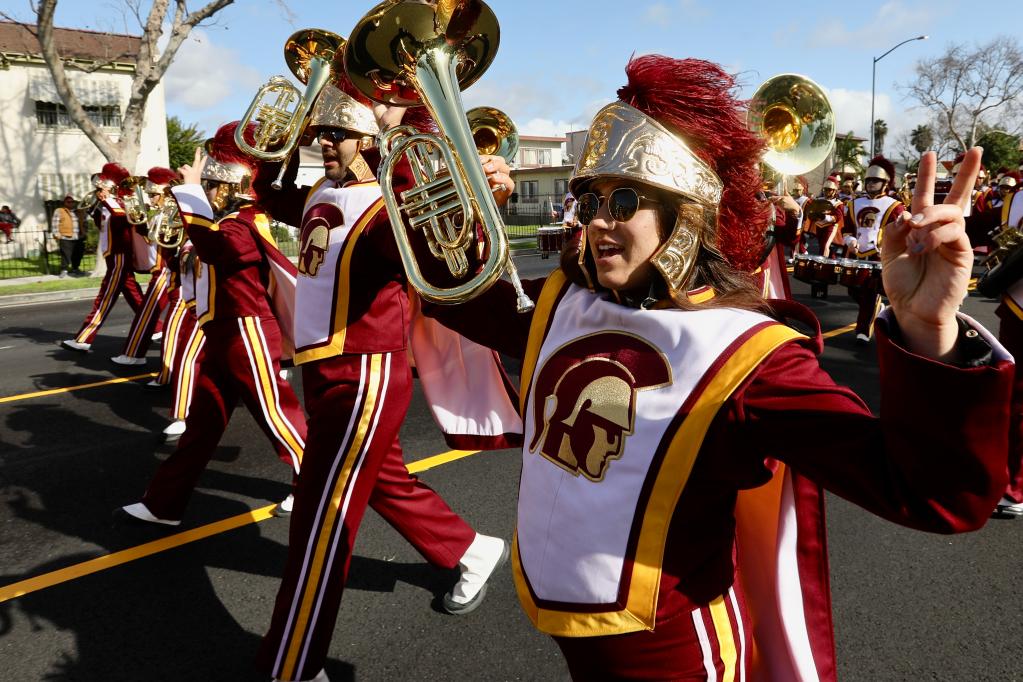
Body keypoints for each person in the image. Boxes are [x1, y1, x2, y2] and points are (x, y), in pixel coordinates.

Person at [421, 55, 1011, 681]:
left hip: (672, 655)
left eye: (623, 199)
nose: (596, 218)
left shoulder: (749, 357)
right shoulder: (565, 303)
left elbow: (936, 497)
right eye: (588, 196)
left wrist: (929, 330)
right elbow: (454, 295)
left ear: (685, 214)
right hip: (568, 629)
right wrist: (438, 172)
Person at [241, 80, 510, 682]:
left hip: (366, 375)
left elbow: (448, 259)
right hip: (325, 370)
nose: (325, 141)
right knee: (383, 480)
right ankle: (471, 549)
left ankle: (292, 664)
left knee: (321, 519)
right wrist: (277, 150)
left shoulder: (389, 209)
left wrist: (472, 188)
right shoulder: (320, 191)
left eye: (337, 132)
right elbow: (271, 197)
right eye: (321, 131)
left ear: (369, 138)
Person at [117, 123, 307, 525]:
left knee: (278, 416)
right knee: (201, 429)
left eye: (212, 175)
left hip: (248, 331)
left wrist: (189, 196)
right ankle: (163, 504)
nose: (206, 181)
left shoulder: (246, 218)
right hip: (223, 332)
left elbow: (219, 248)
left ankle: (315, 484)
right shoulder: (226, 217)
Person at [60, 165, 145, 353]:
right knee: (133, 294)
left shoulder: (122, 202)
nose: (99, 191)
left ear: (112, 187)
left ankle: (84, 338)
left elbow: (124, 218)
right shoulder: (107, 204)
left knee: (104, 298)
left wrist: (107, 201)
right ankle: (156, 327)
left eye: (102, 187)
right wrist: (95, 208)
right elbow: (103, 226)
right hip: (112, 256)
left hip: (120, 256)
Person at [110, 167, 182, 366]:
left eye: (153, 194)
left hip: (167, 270)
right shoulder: (162, 213)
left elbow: (161, 241)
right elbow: (150, 237)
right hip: (169, 270)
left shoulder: (172, 213)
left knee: (147, 312)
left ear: (166, 194)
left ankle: (133, 354)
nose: (150, 199)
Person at [841, 155, 905, 343]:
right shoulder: (854, 203)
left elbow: (899, 233)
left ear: (886, 183)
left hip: (879, 256)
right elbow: (847, 229)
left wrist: (887, 247)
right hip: (857, 253)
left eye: (875, 180)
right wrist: (850, 240)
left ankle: (862, 331)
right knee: (853, 289)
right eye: (868, 180)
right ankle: (875, 308)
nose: (870, 184)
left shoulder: (895, 206)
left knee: (868, 293)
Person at [51, 195, 83, 276]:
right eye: (68, 202)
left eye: (72, 202)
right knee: (66, 255)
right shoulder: (59, 210)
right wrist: (56, 234)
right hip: (65, 236)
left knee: (77, 254)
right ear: (64, 203)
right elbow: (55, 223)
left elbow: (83, 222)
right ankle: (64, 270)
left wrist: (84, 232)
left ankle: (75, 269)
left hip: (77, 236)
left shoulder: (77, 211)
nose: (71, 203)